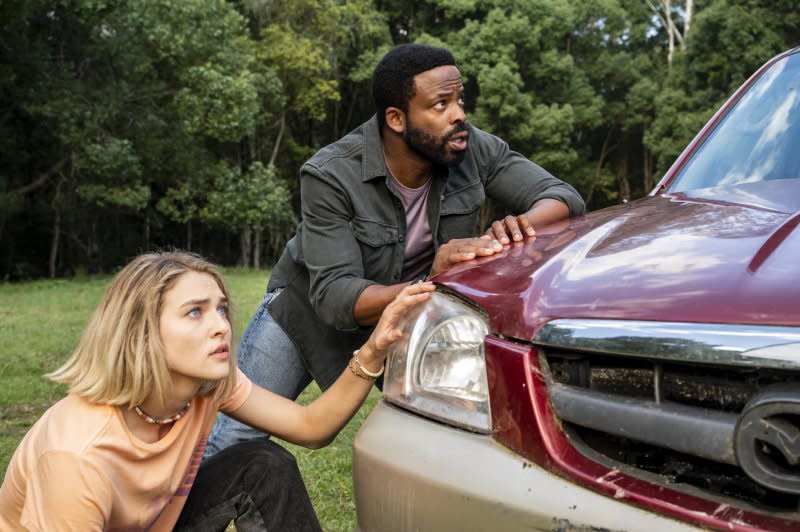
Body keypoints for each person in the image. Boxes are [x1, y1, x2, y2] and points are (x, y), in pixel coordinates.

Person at [206, 43, 584, 455]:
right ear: (396, 119)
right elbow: (334, 297)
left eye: (460, 99)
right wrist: (431, 281)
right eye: (440, 104)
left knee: (451, 434)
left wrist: (516, 228)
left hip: (411, 315)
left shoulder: (469, 146)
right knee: (235, 439)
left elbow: (562, 197)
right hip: (306, 312)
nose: (459, 114)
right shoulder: (330, 173)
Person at [0, 251, 434, 531]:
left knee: (263, 464)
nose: (220, 326)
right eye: (194, 313)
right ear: (140, 332)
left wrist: (375, 349)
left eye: (221, 309)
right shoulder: (76, 459)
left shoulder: (208, 385)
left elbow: (311, 426)